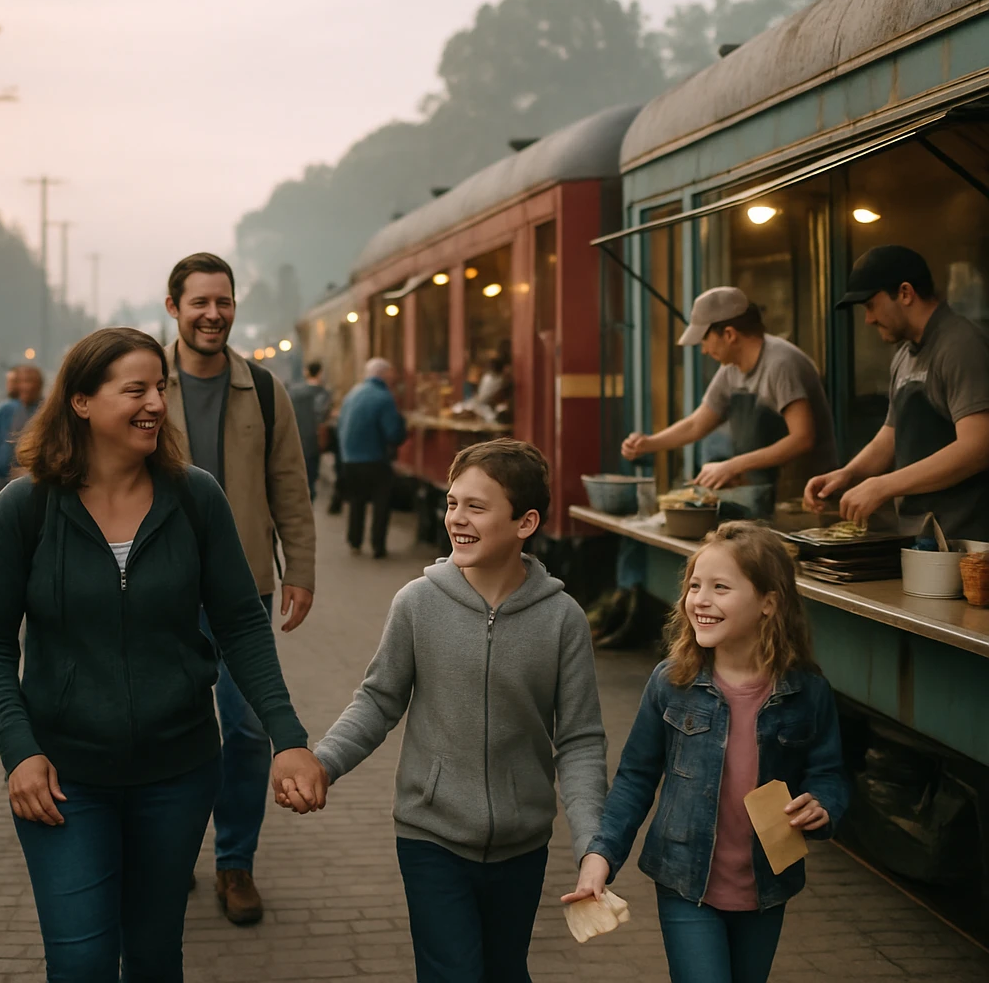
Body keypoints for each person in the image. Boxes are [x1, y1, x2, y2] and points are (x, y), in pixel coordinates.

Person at [0, 327, 327, 983]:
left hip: (177, 774)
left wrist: (289, 737)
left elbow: (242, 624)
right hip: (62, 782)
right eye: (135, 389)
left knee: (156, 957)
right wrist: (19, 749)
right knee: (81, 962)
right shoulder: (26, 508)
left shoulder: (195, 498)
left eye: (159, 387)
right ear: (81, 402)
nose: (156, 402)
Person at [309, 440, 607, 982]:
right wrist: (323, 762)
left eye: (476, 506)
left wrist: (592, 846)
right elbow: (377, 701)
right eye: (452, 503)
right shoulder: (417, 603)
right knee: (453, 973)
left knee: (505, 972)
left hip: (523, 843)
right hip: (431, 836)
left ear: (526, 522)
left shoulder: (563, 620)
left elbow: (582, 740)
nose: (456, 519)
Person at [565, 521, 849, 983]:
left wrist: (822, 806)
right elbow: (635, 780)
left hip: (766, 887)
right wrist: (600, 858)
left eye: (720, 587)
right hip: (683, 882)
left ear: (768, 603)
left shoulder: (807, 691)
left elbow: (830, 774)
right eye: (695, 585)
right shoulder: (671, 683)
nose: (700, 599)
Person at [164, 252, 317, 924]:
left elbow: (290, 483)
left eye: (221, 301)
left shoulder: (261, 386)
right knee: (167, 732)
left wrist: (301, 568)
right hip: (156, 591)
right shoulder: (145, 381)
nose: (212, 313)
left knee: (250, 731)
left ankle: (235, 865)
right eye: (198, 302)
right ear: (174, 307)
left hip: (242, 591)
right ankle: (168, 859)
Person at [805, 245, 989, 540]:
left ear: (905, 293)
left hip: (966, 539)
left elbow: (978, 447)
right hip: (921, 532)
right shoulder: (904, 354)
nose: (868, 319)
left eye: (870, 305)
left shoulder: (960, 346)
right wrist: (849, 474)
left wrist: (883, 485)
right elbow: (890, 435)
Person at [622, 288, 838, 505]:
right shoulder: (731, 368)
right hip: (762, 494)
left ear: (729, 334)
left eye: (705, 339)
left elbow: (802, 439)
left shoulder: (781, 364)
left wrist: (732, 466)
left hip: (803, 497)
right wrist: (648, 443)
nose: (704, 350)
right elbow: (697, 424)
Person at [338, 356, 407, 558]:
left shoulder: (352, 393)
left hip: (349, 458)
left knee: (356, 501)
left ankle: (355, 541)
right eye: (391, 373)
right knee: (381, 502)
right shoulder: (384, 397)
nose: (394, 377)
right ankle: (378, 545)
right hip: (374, 458)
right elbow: (393, 433)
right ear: (383, 374)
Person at [0, 364, 44, 500]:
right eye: (23, 381)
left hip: (36, 482)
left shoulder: (46, 410)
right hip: (2, 480)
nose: (27, 387)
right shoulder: (6, 410)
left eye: (30, 381)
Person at [288, 360, 333, 502]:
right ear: (320, 373)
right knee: (311, 480)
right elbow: (321, 416)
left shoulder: (294, 392)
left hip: (294, 440)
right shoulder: (323, 393)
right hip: (313, 442)